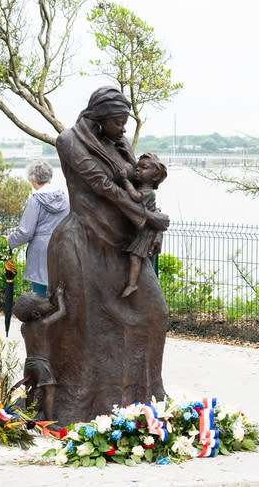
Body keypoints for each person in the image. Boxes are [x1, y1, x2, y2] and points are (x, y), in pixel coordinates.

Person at [45, 86, 171, 426]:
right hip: (84, 243)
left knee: (155, 312)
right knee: (86, 327)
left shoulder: (119, 141)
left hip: (125, 244)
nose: (124, 130)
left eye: (125, 123)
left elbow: (135, 178)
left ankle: (146, 394)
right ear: (100, 121)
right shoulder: (69, 141)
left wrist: (147, 211)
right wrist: (147, 218)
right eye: (118, 123)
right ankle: (84, 404)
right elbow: (104, 186)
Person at [6, 160, 69, 298]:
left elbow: (26, 232)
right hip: (62, 249)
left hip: (40, 252)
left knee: (39, 295)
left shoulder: (35, 200)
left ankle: (39, 319)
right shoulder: (65, 198)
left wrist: (10, 240)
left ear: (33, 179)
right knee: (60, 293)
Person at [117, 152, 168, 298]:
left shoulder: (148, 192)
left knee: (135, 256)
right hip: (140, 230)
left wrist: (125, 180)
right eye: (137, 167)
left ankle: (132, 284)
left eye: (144, 168)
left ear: (155, 175)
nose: (138, 170)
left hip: (146, 232)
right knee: (134, 256)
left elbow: (135, 197)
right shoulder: (141, 188)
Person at [12, 285, 66, 420]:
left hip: (28, 364)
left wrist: (48, 299)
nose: (46, 301)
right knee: (49, 391)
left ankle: (29, 417)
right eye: (43, 300)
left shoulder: (24, 327)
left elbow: (43, 311)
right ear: (36, 314)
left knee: (29, 391)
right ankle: (49, 420)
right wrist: (59, 297)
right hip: (42, 364)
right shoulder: (43, 324)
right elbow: (61, 312)